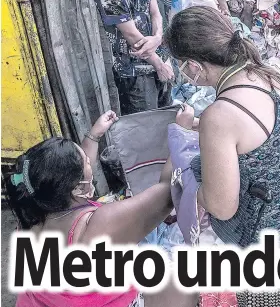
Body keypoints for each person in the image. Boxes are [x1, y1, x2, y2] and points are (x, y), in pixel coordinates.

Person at [165, 6, 280, 307]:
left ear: (195, 66)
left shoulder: (220, 115)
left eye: (182, 66)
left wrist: (184, 149)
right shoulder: (266, 73)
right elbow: (261, 138)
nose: (183, 73)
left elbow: (223, 208)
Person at [6, 112, 199, 307]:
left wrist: (93, 136)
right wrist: (181, 132)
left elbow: (73, 175)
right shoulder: (98, 228)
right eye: (87, 162)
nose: (90, 161)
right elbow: (167, 192)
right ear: (77, 187)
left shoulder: (31, 213)